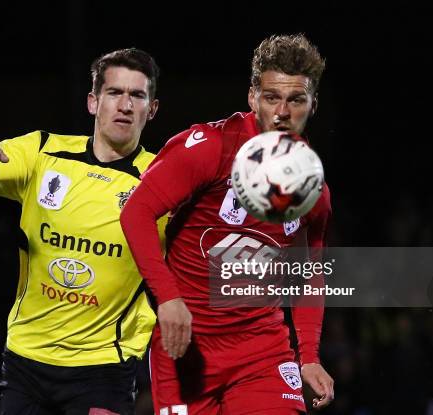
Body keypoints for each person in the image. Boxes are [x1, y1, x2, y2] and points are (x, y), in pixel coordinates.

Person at [0, 48, 163, 415]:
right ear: (93, 102)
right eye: (114, 93)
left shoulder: (163, 180)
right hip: (27, 359)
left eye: (137, 95)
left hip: (104, 368)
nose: (125, 105)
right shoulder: (43, 152)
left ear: (151, 109)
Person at [120, 34, 334, 414]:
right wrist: (168, 298)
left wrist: (310, 355)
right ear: (252, 98)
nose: (282, 112)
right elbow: (136, 212)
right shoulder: (211, 148)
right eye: (271, 97)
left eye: (295, 99)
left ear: (312, 104)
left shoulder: (313, 191)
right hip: (186, 349)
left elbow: (308, 273)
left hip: (262, 351)